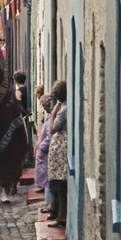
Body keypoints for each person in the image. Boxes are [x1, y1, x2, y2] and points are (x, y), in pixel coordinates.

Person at [47, 80, 68, 227]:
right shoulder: (65, 106)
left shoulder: (63, 108)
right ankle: (60, 214)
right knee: (59, 183)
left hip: (61, 149)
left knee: (60, 183)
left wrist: (53, 114)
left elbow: (53, 129)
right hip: (59, 149)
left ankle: (61, 215)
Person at [34, 93, 54, 206]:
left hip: (46, 152)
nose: (44, 108)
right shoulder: (49, 116)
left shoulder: (53, 116)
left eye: (44, 105)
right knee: (46, 178)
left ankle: (52, 205)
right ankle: (50, 204)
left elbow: (49, 135)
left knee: (49, 178)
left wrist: (42, 147)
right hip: (44, 151)